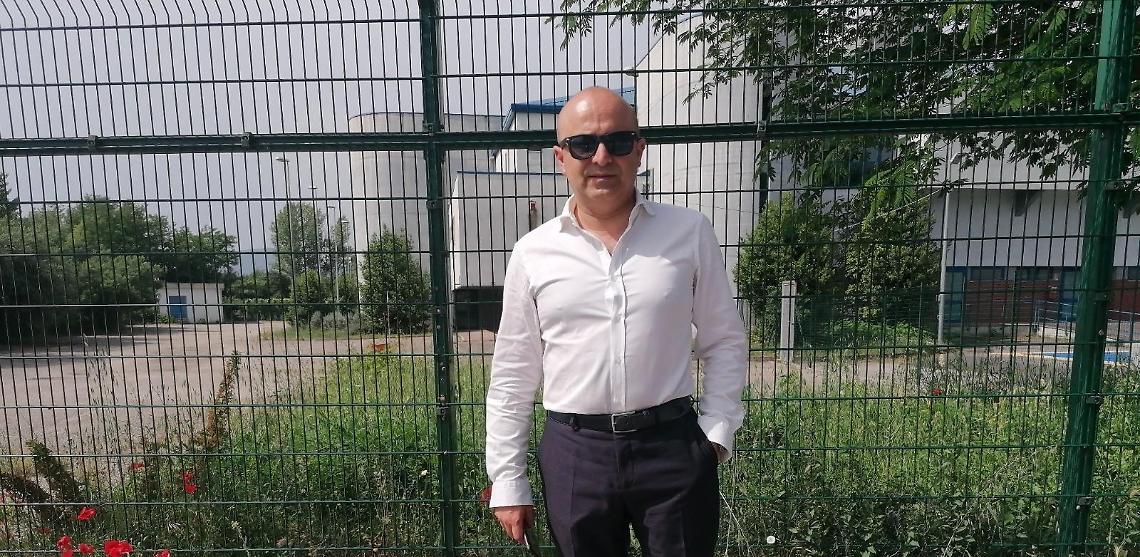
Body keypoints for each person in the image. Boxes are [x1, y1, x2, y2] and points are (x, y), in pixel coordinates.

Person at [484, 86, 748, 556]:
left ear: (639, 150)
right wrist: (508, 481)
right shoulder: (533, 253)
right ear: (561, 157)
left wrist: (715, 434)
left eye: (618, 141)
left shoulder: (689, 232)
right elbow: (512, 373)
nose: (601, 157)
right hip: (574, 456)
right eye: (583, 144)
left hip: (673, 449)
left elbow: (724, 339)